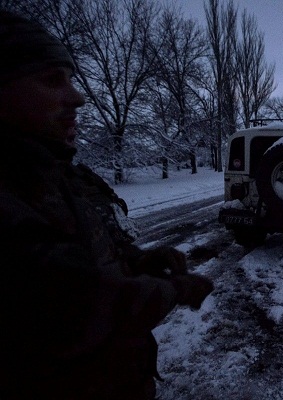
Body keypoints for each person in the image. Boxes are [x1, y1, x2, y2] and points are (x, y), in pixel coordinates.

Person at [0, 11, 213, 400]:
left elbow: (84, 249)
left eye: (71, 79)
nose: (78, 97)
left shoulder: (53, 174)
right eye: (51, 80)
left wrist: (137, 260)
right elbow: (75, 302)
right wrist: (174, 289)